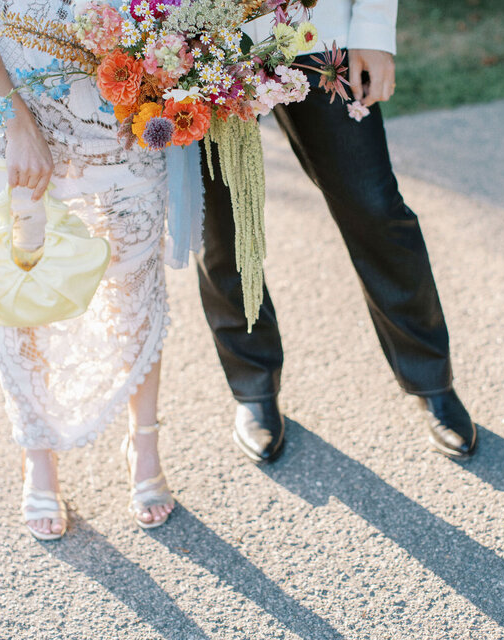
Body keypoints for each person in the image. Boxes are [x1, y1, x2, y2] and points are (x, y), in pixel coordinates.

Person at [0, 0, 175, 539]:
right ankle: (37, 453)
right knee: (20, 276)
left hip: (124, 100)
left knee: (135, 273)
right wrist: (14, 120)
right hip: (6, 104)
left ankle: (145, 438)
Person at [197, 0, 477, 463]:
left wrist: (372, 29)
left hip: (317, 30)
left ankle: (431, 378)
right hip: (205, 40)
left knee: (374, 207)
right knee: (223, 226)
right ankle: (253, 386)